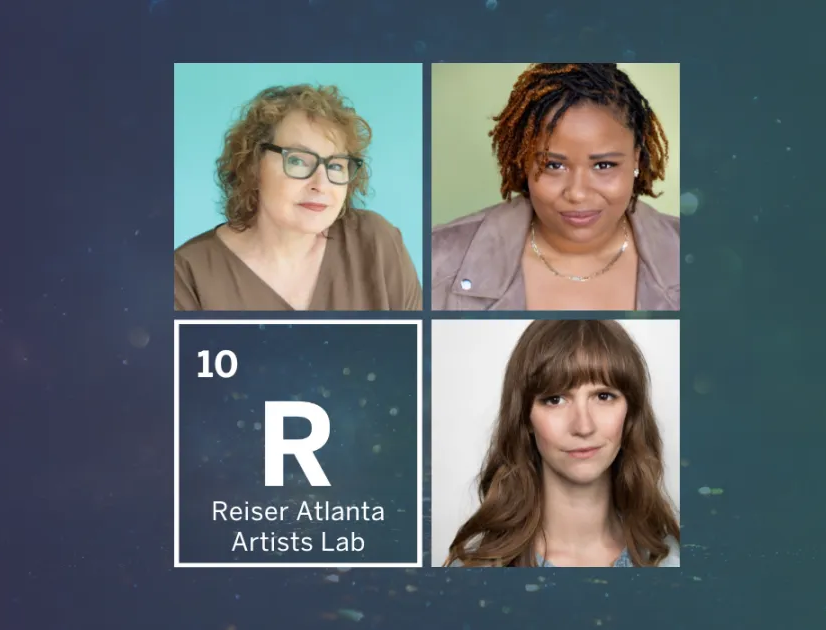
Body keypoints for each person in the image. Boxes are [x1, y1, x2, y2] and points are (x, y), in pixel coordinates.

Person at [432, 63, 679, 311]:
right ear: (524, 162)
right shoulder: (437, 260)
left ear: (636, 158)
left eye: (604, 165)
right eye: (553, 165)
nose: (577, 193)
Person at [445, 320, 680, 567]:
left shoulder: (674, 560)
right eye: (555, 399)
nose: (583, 426)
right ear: (524, 418)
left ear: (630, 413)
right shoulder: (473, 571)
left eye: (603, 396)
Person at [174, 84, 422, 311]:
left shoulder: (377, 243)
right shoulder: (187, 275)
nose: (321, 185)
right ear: (253, 165)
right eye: (297, 161)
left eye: (336, 166)